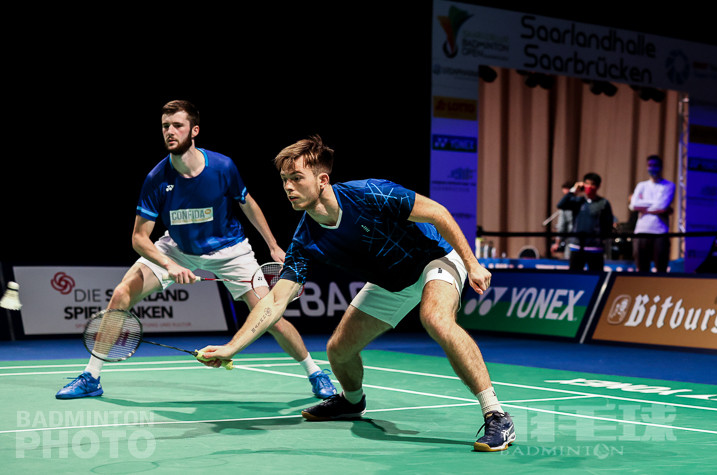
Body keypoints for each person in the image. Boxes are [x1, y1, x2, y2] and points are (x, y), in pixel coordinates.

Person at [198, 135, 516, 452]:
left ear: (322, 180)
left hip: (434, 258)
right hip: (389, 281)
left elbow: (438, 213)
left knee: (436, 318)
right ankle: (352, 402)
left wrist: (472, 263)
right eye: (284, 180)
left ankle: (496, 414)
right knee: (338, 350)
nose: (288, 187)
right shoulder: (305, 240)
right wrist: (232, 347)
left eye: (296, 178)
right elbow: (275, 300)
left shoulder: (369, 193)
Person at [56, 101, 336, 400]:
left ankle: (315, 372)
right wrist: (169, 264)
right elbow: (139, 238)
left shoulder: (222, 167)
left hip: (230, 250)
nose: (170, 131)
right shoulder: (156, 179)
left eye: (177, 125)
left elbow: (248, 204)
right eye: (165, 126)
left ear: (194, 130)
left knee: (270, 315)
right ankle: (91, 376)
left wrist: (273, 245)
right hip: (178, 248)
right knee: (121, 294)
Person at [557, 172, 613, 271]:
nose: (589, 187)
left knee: (596, 276)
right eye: (587, 184)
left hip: (595, 248)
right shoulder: (578, 201)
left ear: (598, 186)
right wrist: (573, 190)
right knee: (574, 276)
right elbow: (561, 205)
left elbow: (608, 224)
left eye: (592, 184)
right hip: (577, 246)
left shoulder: (603, 203)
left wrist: (601, 239)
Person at [629, 155, 675, 273]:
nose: (652, 168)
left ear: (661, 167)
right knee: (642, 268)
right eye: (650, 165)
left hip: (660, 231)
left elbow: (662, 206)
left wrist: (643, 206)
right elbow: (634, 205)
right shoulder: (641, 185)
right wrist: (655, 205)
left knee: (661, 268)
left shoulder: (669, 185)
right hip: (642, 231)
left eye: (655, 165)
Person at [550, 180, 575, 259]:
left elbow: (561, 226)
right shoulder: (584, 201)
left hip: (572, 240)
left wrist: (557, 243)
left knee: (571, 262)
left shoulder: (565, 205)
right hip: (586, 241)